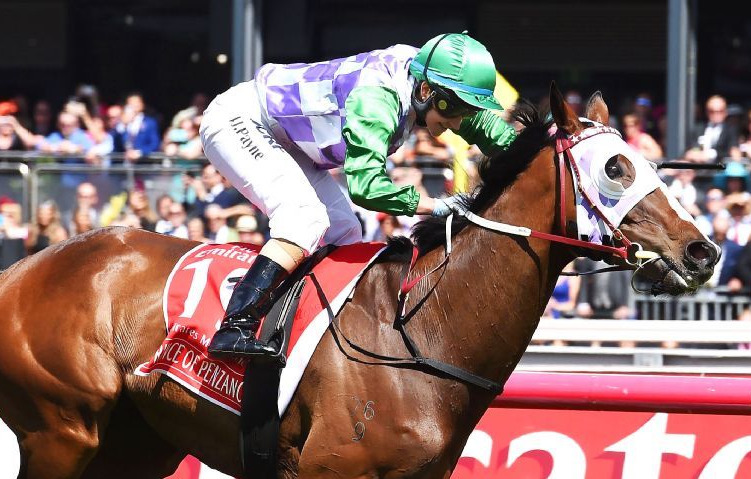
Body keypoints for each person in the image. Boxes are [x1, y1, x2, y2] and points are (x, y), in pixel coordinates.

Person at [200, 32, 517, 360]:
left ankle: (306, 327)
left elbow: (488, 130)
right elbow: (366, 187)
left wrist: (546, 142)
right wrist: (436, 206)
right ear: (426, 92)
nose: (458, 124)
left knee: (345, 231)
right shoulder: (377, 99)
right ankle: (235, 325)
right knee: (304, 219)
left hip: (288, 140)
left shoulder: (429, 78)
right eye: (456, 113)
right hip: (241, 121)